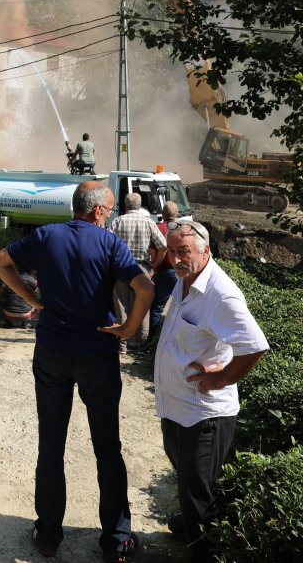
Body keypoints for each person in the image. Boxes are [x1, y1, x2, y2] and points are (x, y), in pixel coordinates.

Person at [0, 180, 154, 562]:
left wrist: (34, 300)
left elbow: (0, 261)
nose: (109, 216)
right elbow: (145, 289)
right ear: (96, 211)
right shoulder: (109, 243)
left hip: (52, 353)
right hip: (97, 354)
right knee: (107, 448)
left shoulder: (46, 236)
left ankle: (48, 537)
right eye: (109, 211)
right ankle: (115, 541)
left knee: (51, 445)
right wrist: (128, 329)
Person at [154, 220, 268, 563]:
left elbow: (255, 346)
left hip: (204, 413)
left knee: (198, 490)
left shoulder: (221, 294)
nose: (175, 259)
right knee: (186, 476)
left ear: (206, 250)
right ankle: (191, 524)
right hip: (176, 406)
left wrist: (220, 379)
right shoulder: (184, 278)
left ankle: (204, 551)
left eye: (183, 252)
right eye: (171, 251)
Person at [110, 191, 167, 354]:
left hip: (121, 268)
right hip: (142, 268)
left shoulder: (118, 221)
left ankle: (122, 344)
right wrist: (155, 265)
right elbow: (163, 245)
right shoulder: (148, 222)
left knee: (120, 305)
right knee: (142, 304)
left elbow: (107, 244)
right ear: (140, 206)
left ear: (125, 206)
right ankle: (141, 344)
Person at [148, 200, 179, 338]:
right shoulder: (184, 228)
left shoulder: (157, 228)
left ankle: (151, 339)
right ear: (177, 214)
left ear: (162, 214)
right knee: (182, 309)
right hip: (181, 272)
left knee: (156, 308)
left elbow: (152, 251)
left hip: (164, 272)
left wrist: (153, 267)